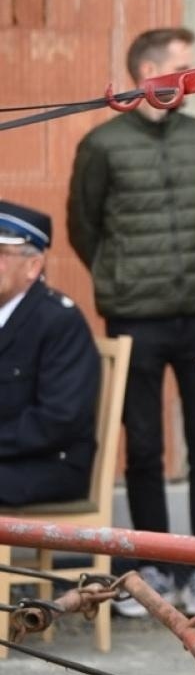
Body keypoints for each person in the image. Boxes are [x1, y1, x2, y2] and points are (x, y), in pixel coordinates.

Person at [69, 27, 195, 618]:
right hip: (136, 315)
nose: (192, 79)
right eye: (182, 68)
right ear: (148, 74)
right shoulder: (104, 145)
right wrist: (120, 281)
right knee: (143, 446)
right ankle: (152, 568)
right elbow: (84, 227)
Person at [0, 201, 101, 507]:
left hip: (49, 465)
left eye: (2, 254)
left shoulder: (60, 321)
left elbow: (58, 420)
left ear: (33, 266)